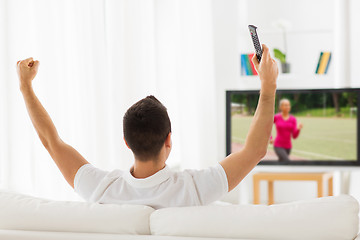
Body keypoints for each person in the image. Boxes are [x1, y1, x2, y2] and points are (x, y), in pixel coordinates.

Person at [16, 44, 278, 209]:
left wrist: (25, 86)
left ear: (126, 141)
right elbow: (255, 150)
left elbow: (51, 142)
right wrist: (268, 86)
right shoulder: (195, 189)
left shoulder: (101, 189)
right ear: (169, 140)